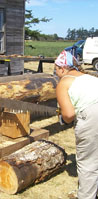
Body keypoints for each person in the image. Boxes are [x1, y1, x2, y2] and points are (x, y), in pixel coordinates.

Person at [55, 50, 98, 199]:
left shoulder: (64, 82)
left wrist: (63, 119)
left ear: (62, 68)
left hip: (92, 117)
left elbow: (68, 115)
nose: (56, 73)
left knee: (88, 164)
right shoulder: (90, 77)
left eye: (56, 69)